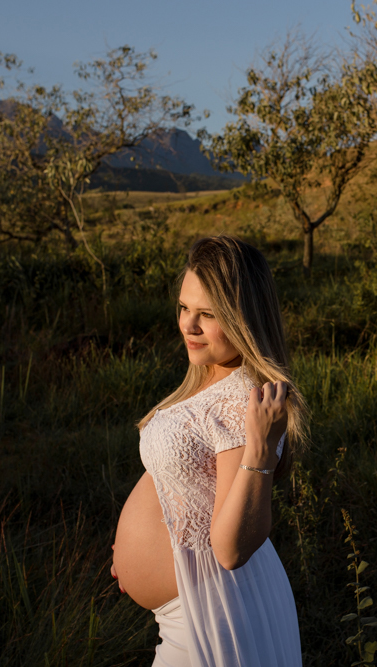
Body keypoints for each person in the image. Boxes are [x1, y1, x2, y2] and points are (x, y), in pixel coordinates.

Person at [110, 235, 306, 666]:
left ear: (244, 319)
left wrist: (261, 447)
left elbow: (230, 549)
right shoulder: (213, 378)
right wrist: (137, 550)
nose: (188, 325)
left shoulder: (246, 402)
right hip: (192, 609)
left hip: (214, 615)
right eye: (184, 307)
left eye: (207, 315)